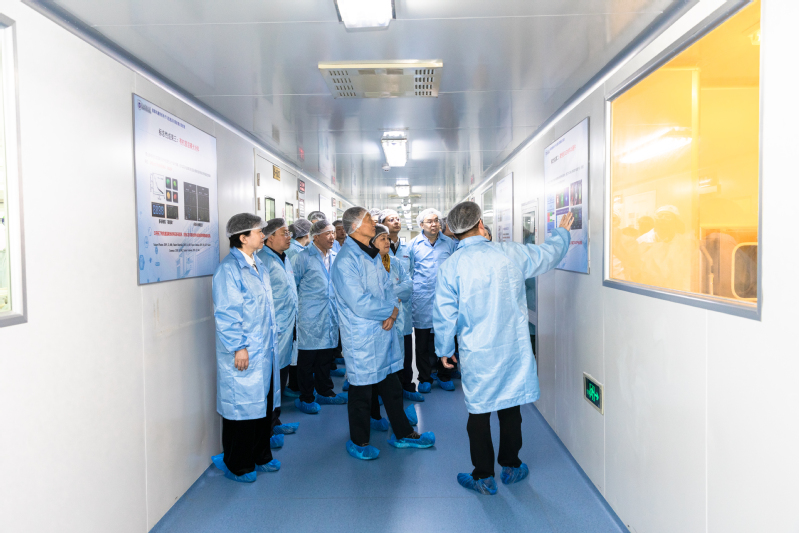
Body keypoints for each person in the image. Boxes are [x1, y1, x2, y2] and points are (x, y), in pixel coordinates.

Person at [433, 202, 572, 495]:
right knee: (510, 407)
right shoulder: (509, 253)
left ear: (454, 232)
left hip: (477, 352)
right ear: (480, 224)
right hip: (511, 348)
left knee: (478, 412)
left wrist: (444, 349)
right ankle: (511, 465)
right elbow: (548, 255)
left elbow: (445, 314)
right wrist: (561, 233)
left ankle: (483, 476)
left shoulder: (451, 266)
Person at [332, 207, 435, 460]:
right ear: (355, 227)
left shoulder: (372, 255)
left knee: (391, 385)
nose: (374, 222)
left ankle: (403, 433)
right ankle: (359, 442)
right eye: (368, 219)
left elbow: (389, 288)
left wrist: (391, 313)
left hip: (384, 330)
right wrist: (390, 311)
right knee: (361, 390)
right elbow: (359, 302)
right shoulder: (346, 261)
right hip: (363, 335)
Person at [210, 213, 281, 483]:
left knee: (261, 405)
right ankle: (237, 464)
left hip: (263, 350)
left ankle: (261, 455)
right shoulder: (228, 270)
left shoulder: (257, 264)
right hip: (244, 350)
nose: (263, 235)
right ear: (242, 238)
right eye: (258, 232)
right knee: (241, 409)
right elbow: (227, 313)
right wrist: (238, 346)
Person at [291, 219, 346, 413]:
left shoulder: (335, 256)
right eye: (328, 233)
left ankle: (325, 392)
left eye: (333, 233)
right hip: (308, 317)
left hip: (329, 314)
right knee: (307, 359)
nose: (332, 237)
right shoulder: (302, 258)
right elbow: (293, 287)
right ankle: (306, 397)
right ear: (315, 237)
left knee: (325, 356)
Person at [257, 218, 300, 438]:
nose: (288, 237)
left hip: (287, 327)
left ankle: (276, 420)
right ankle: (268, 428)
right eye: (284, 233)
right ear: (269, 237)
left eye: (289, 233)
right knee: (271, 379)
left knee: (281, 376)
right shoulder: (263, 261)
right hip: (273, 332)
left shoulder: (284, 258)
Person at [409, 208, 457, 393]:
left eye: (436, 220)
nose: (434, 224)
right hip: (422, 300)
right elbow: (409, 272)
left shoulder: (449, 244)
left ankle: (445, 375)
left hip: (446, 299)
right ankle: (425, 377)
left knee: (447, 337)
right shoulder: (413, 245)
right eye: (429, 221)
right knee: (422, 343)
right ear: (421, 225)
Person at [379, 209, 423, 402]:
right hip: (385, 312)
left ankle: (407, 385)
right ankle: (387, 391)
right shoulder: (375, 253)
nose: (396, 221)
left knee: (406, 348)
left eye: (398, 219)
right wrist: (394, 293)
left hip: (403, 309)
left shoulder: (407, 249)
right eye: (391, 219)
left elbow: (409, 279)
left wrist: (395, 292)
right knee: (387, 352)